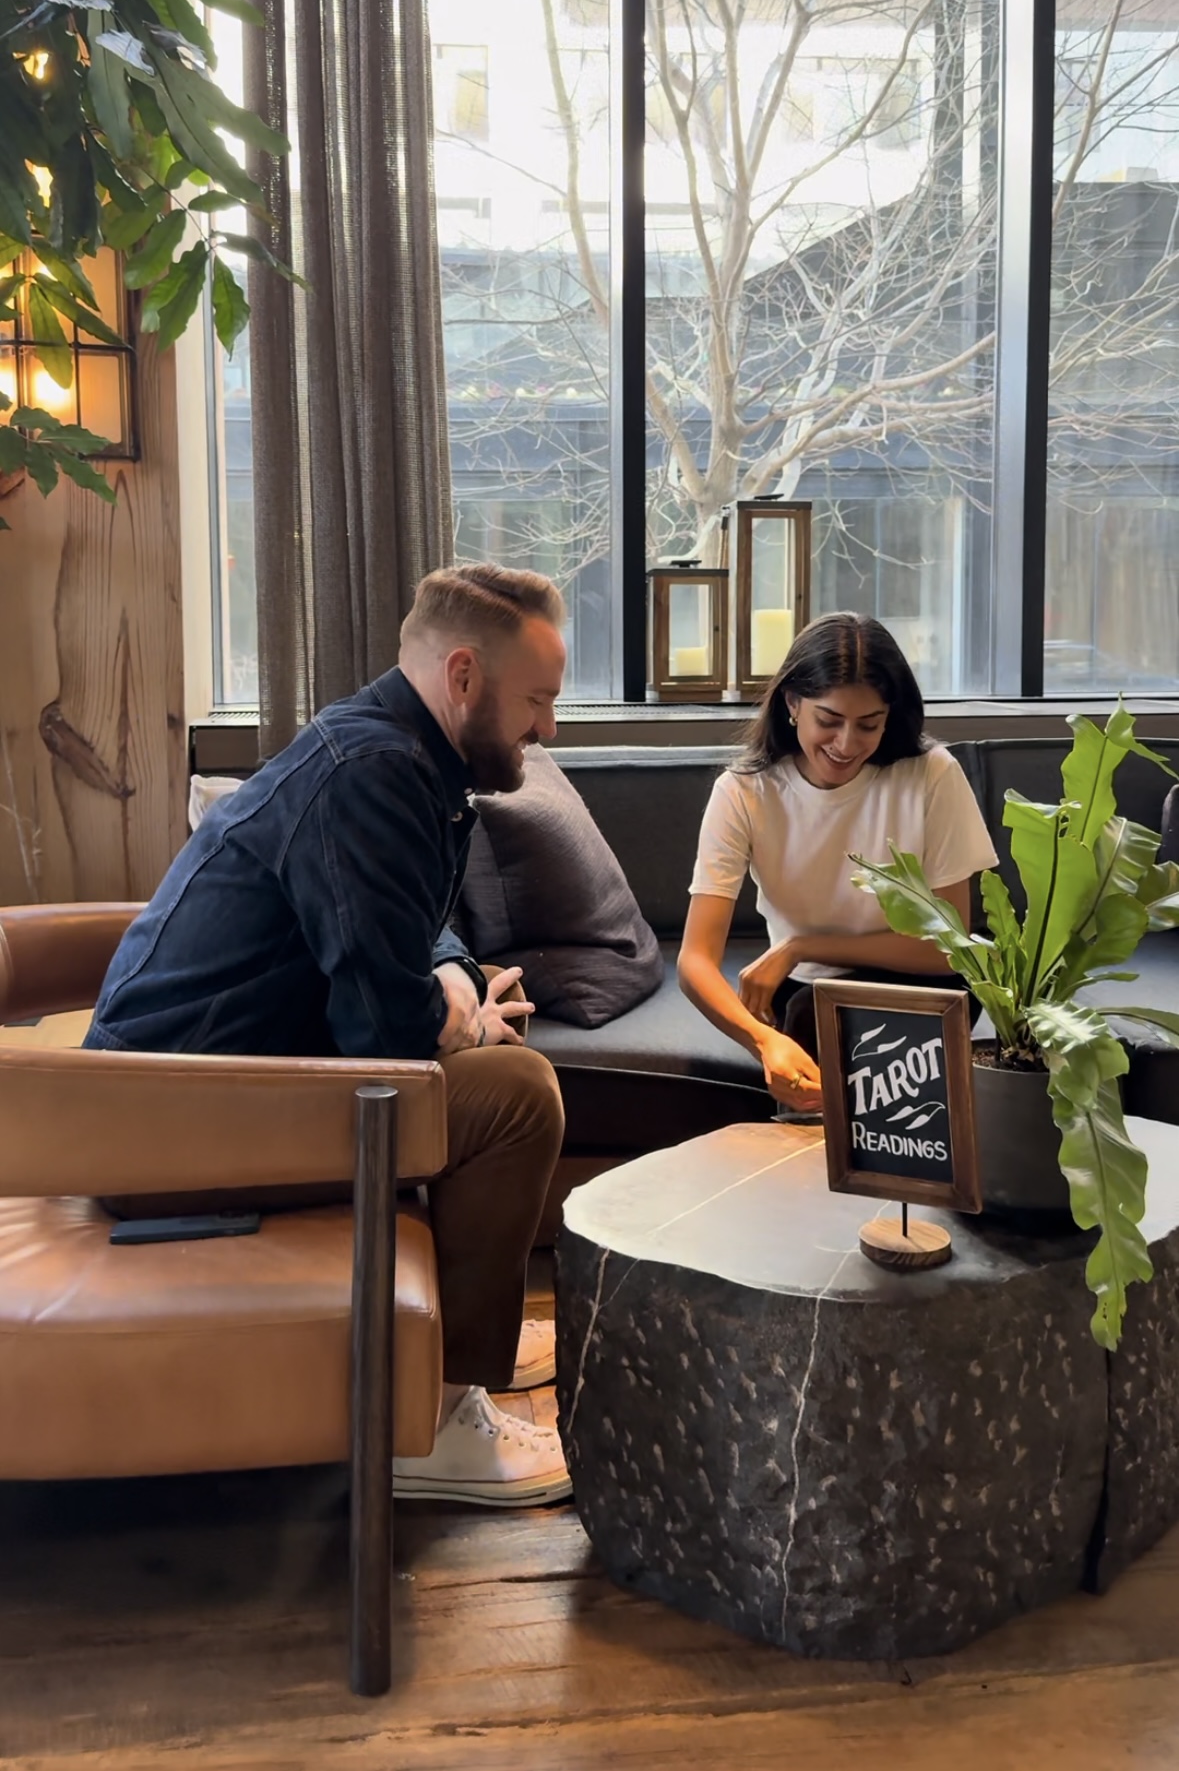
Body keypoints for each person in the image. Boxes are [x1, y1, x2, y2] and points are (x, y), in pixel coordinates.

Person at [85, 562, 573, 1508]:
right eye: (537, 702)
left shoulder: (401, 754)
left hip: (206, 1088)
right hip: (162, 1121)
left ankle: (463, 1352)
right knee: (516, 1098)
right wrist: (454, 1016)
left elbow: (409, 926)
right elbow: (385, 1032)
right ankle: (427, 1422)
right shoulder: (375, 771)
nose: (547, 729)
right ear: (464, 675)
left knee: (498, 1066)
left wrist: (454, 986)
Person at [678, 611, 997, 1118]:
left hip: (924, 987)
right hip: (807, 993)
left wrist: (803, 945)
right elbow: (695, 962)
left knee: (852, 1048)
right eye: (828, 720)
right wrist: (763, 1041)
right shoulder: (743, 793)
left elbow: (951, 951)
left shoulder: (932, 776)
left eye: (868, 724)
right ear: (792, 704)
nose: (846, 744)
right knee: (811, 1020)